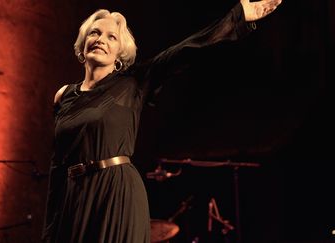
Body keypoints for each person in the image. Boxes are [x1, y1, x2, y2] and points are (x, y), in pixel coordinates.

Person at [41, 0, 282, 242]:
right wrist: (50, 230)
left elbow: (186, 50)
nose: (101, 39)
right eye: (95, 32)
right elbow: (57, 166)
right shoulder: (64, 95)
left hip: (114, 191)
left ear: (119, 55)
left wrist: (237, 17)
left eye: (111, 37)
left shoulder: (132, 83)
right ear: (83, 46)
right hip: (74, 198)